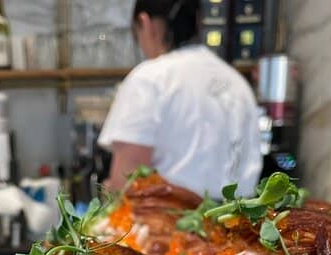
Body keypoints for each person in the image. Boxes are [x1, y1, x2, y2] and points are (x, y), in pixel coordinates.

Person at [98, 0, 263, 197]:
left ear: (146, 24)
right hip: (237, 223)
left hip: (172, 223)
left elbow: (126, 182)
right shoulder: (237, 82)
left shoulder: (150, 78)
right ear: (199, 22)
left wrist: (109, 188)